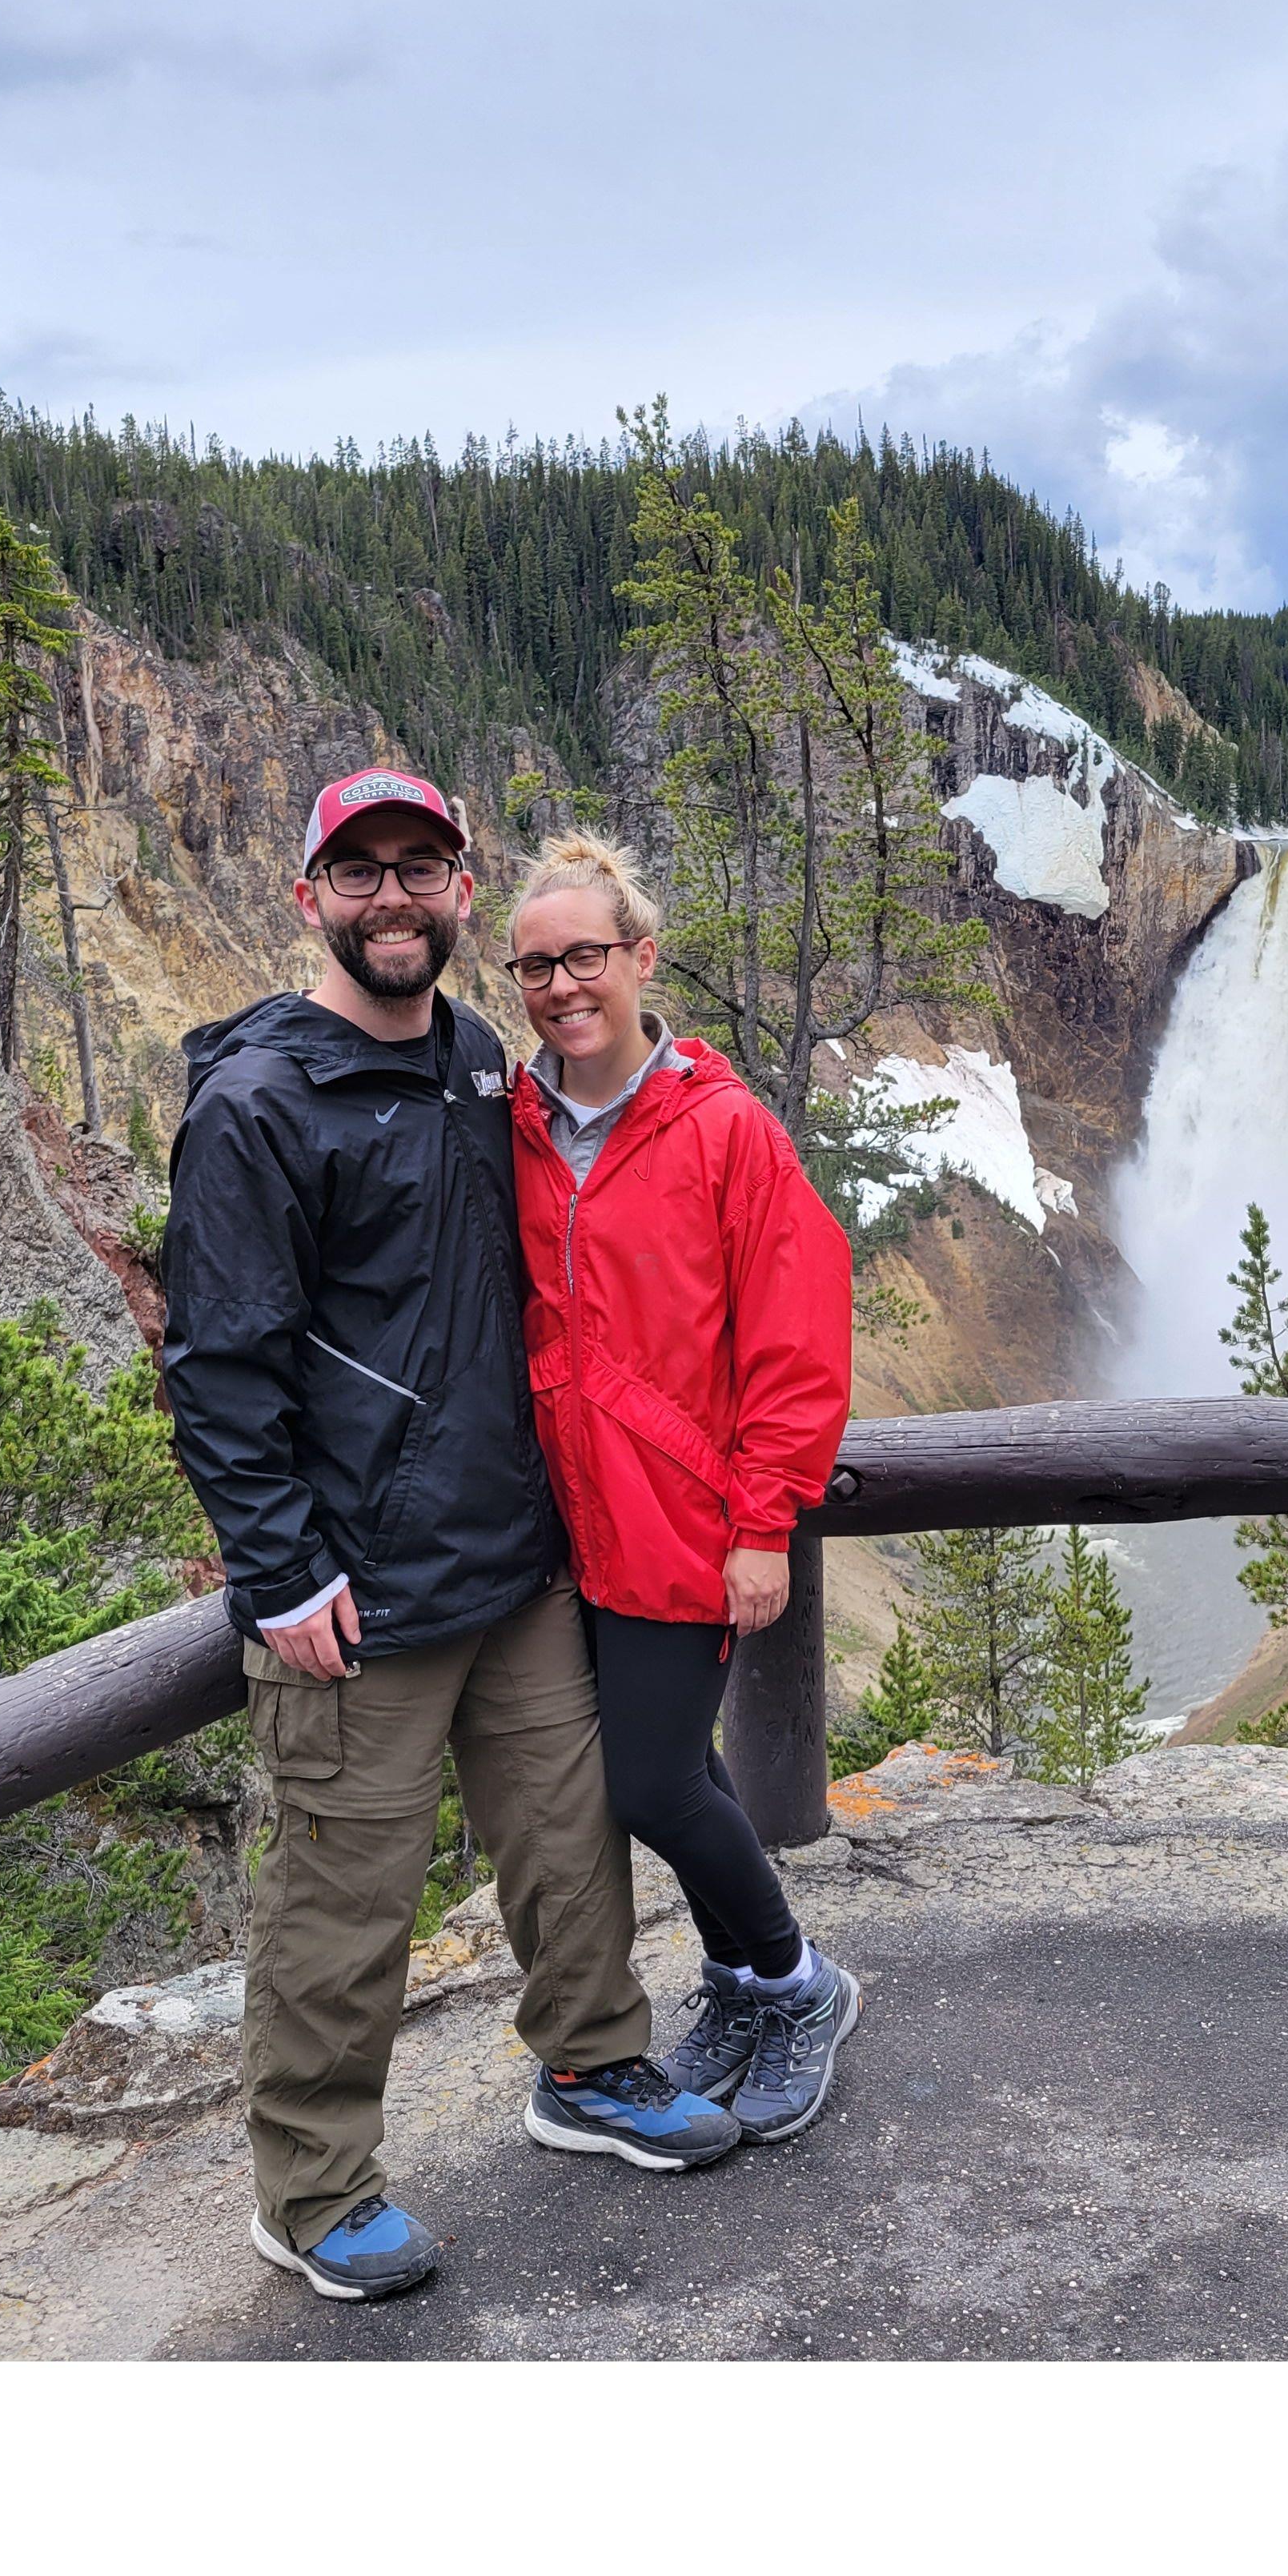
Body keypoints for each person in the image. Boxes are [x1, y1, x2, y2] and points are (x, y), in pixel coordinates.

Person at [162, 764, 739, 2309]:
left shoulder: (476, 1060)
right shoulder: (258, 1106)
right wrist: (280, 1572)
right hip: (354, 1589)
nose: (394, 898)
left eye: (422, 869)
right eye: (361, 875)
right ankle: (315, 2186)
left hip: (511, 1559)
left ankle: (595, 2068)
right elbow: (219, 1367)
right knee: (345, 1903)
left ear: (462, 894)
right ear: (310, 901)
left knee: (569, 1842)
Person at [504, 830, 865, 2141]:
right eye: (535, 965)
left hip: (682, 1520)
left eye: (585, 956)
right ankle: (739, 1978)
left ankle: (802, 1982)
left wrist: (763, 1521)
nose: (561, 985)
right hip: (572, 1522)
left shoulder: (725, 1131)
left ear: (641, 959)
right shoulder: (520, 1128)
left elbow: (796, 1335)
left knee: (650, 1782)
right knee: (673, 1768)